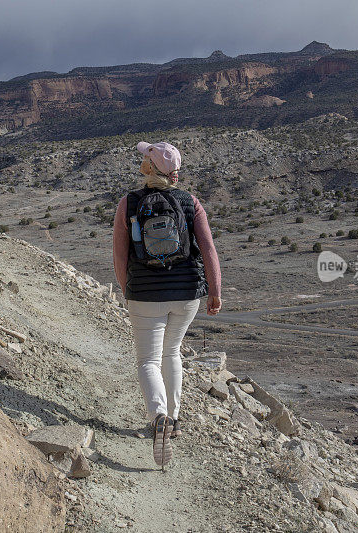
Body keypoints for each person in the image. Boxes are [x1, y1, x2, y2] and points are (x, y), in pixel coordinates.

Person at [112, 141, 222, 468]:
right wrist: (215, 290)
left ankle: (157, 414)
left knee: (148, 360)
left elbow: (121, 255)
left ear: (147, 167)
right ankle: (172, 420)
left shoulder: (129, 203)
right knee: (172, 353)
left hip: (144, 294)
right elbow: (208, 249)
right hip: (187, 292)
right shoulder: (190, 202)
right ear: (175, 171)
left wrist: (127, 287)